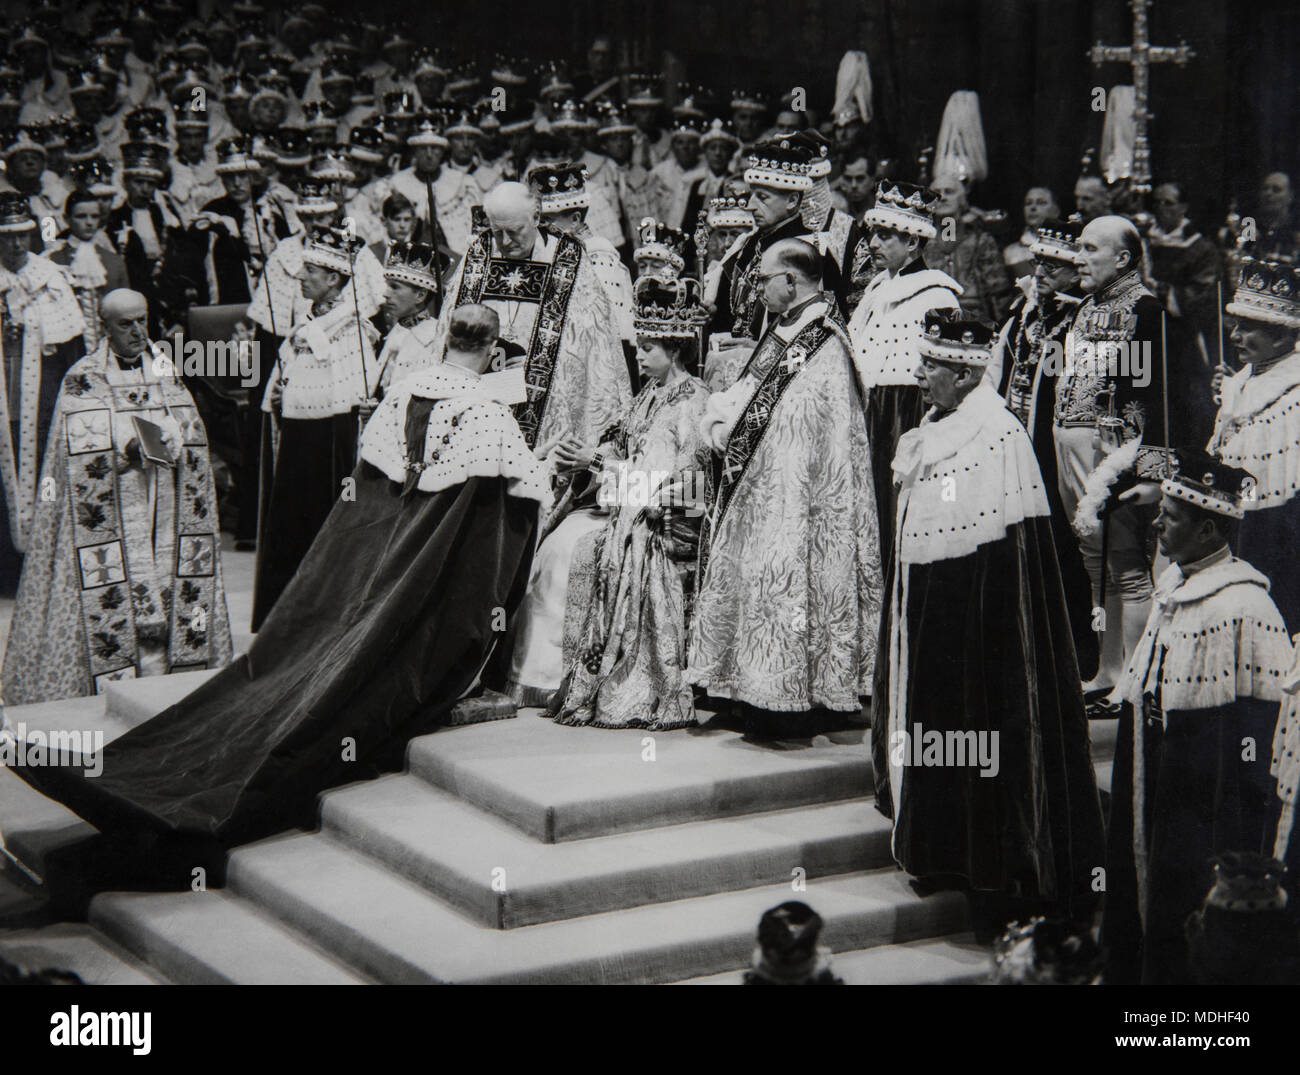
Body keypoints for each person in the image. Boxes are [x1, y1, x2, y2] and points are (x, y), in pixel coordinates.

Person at [8, 305, 546, 891]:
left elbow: (367, 503)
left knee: (284, 672)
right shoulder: (491, 416)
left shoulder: (404, 391)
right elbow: (497, 526)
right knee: (340, 699)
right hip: (414, 605)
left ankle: (137, 773)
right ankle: (189, 816)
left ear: (446, 338)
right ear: (495, 351)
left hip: (360, 579)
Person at [871, 309, 1105, 940]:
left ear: (965, 373)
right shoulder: (938, 425)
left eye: (933, 367)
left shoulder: (997, 436)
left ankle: (994, 877)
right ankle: (941, 850)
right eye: (922, 364)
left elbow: (1010, 555)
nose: (921, 375)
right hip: (930, 604)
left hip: (975, 614)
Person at [1102, 449, 1293, 983]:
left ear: (1208, 530)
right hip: (1157, 773)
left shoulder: (1245, 607)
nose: (1157, 522)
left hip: (1204, 797)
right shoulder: (1174, 585)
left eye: (1172, 516)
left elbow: (1259, 736)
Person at [2, 288, 233, 704]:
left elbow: (190, 427)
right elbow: (73, 451)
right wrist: (126, 448)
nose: (137, 331)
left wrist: (176, 440)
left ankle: (174, 684)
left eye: (142, 320)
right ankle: (109, 693)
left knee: (172, 583)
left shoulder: (165, 370)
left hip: (163, 500)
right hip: (114, 503)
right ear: (104, 326)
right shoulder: (83, 377)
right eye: (125, 323)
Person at [690, 238, 880, 736]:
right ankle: (742, 686)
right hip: (763, 486)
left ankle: (790, 697)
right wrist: (718, 418)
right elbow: (752, 389)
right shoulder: (786, 326)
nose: (755, 289)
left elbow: (800, 424)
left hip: (801, 499)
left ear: (791, 281)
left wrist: (728, 430)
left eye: (762, 279)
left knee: (787, 580)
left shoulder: (825, 340)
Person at [547, 276, 712, 729]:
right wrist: (588, 458)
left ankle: (642, 684)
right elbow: (622, 447)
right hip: (635, 505)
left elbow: (686, 484)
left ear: (675, 349)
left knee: (604, 549)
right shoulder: (649, 395)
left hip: (670, 517)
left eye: (647, 347)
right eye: (638, 346)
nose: (638, 355)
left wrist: (600, 463)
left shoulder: (693, 402)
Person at [429, 181, 630, 452]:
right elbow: (449, 332)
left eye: (515, 231)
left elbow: (591, 345)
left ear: (536, 217)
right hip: (481, 392)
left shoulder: (568, 258)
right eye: (497, 232)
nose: (506, 242)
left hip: (545, 405)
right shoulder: (478, 254)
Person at [1060, 216, 1169, 707]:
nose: (1077, 258)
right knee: (1095, 561)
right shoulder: (1086, 307)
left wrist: (1134, 463)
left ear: (1122, 258)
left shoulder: (1144, 311)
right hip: (1072, 448)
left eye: (1089, 249)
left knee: (1125, 564)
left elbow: (1147, 396)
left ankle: (1132, 677)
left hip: (1111, 453)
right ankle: (1107, 671)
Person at [252, 224, 379, 629]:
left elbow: (354, 397)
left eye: (310, 271)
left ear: (334, 280)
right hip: (296, 441)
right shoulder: (303, 325)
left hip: (330, 443)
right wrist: (279, 399)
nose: (301, 277)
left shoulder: (351, 330)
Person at [995, 221, 1096, 674]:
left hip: (1053, 452)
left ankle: (1070, 651)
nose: (1041, 271)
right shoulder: (1023, 311)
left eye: (1053, 266)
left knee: (1060, 546)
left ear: (1075, 272)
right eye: (1038, 262)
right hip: (1012, 443)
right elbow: (999, 369)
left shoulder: (1083, 320)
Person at [847, 180, 961, 553]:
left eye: (886, 235)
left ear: (913, 241)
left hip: (905, 414)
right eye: (873, 234)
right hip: (868, 411)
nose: (873, 244)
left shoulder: (937, 296)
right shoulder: (876, 290)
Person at [1206, 257, 1300, 631]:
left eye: (1247, 328)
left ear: (1281, 335)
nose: (1234, 337)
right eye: (1235, 325)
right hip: (1238, 522)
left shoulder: (1293, 396)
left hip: (1276, 531)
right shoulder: (1243, 380)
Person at [0, 192, 86, 594]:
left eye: (22, 235)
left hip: (43, 399)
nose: (15, 244)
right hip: (4, 395)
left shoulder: (51, 279)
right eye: (6, 236)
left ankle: (43, 570)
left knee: (44, 476)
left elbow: (73, 352)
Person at [923, 165, 1013, 322]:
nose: (942, 197)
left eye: (949, 192)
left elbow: (999, 293)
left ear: (962, 198)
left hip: (974, 321)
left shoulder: (981, 240)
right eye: (937, 192)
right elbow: (948, 240)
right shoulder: (920, 240)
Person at [45, 190, 129, 353]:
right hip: (67, 348)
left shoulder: (113, 261)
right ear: (66, 219)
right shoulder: (53, 260)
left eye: (94, 216)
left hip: (107, 347)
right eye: (81, 216)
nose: (89, 222)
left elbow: (124, 311)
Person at [374, 241, 441, 395]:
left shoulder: (434, 339)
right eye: (387, 286)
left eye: (395, 287)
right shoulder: (393, 333)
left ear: (420, 295)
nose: (385, 294)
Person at [1002, 185, 1059, 281]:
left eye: (1041, 203)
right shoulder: (1010, 253)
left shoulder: (1066, 248)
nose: (1033, 208)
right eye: (1028, 203)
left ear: (1056, 210)